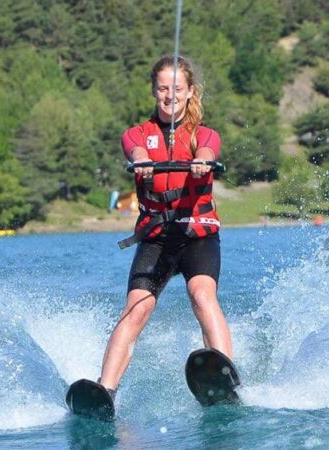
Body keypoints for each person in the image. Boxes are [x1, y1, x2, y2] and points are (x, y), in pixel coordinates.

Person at [98, 55, 233, 399]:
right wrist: (141, 162)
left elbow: (208, 147)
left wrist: (202, 162)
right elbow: (135, 150)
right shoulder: (136, 134)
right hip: (157, 239)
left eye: (176, 88)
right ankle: (105, 390)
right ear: (154, 91)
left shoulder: (205, 135)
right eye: (162, 88)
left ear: (190, 92)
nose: (169, 95)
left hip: (196, 235)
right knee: (136, 308)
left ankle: (226, 375)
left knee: (201, 296)